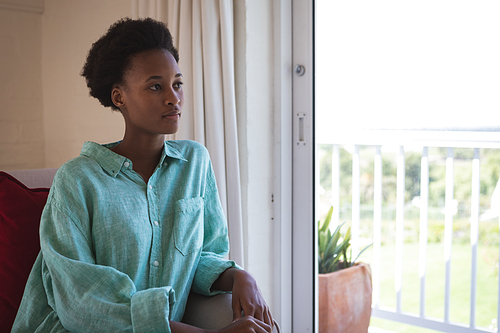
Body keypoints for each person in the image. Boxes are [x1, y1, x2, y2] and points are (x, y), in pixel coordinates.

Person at [12, 18, 273, 333]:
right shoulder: (77, 180)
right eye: (155, 86)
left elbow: (202, 256)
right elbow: (83, 303)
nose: (173, 97)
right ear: (119, 97)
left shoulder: (195, 163)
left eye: (177, 83)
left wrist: (241, 277)